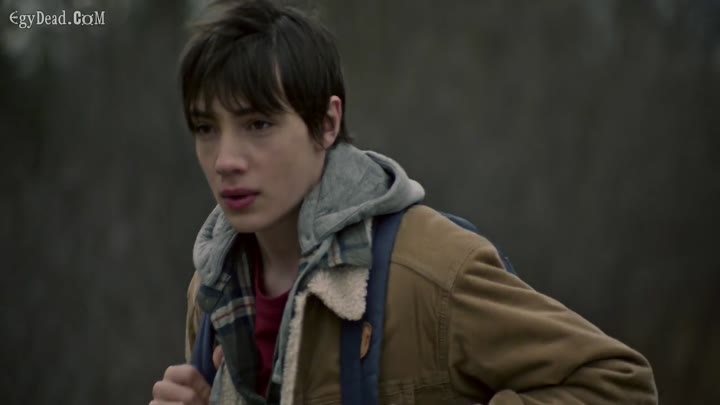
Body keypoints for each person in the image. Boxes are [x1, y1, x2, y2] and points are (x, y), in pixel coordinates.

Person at [150, 0, 658, 404]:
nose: (225, 160)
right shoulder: (212, 290)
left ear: (327, 124)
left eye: (258, 124)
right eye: (205, 128)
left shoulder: (431, 269)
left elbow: (618, 384)